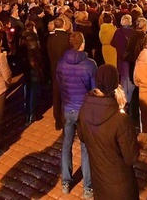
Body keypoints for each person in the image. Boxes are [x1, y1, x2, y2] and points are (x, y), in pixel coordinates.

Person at [77, 64, 138, 200]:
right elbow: (131, 157)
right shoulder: (120, 119)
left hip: (99, 181)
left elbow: (82, 137)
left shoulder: (84, 109)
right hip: (121, 186)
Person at [56, 32, 96, 197]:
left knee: (66, 144)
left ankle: (66, 181)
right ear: (82, 44)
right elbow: (94, 89)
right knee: (85, 147)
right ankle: (87, 187)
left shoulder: (61, 63)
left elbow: (59, 85)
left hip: (68, 108)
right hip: (84, 109)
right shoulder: (89, 65)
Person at [47, 16, 71, 130]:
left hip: (54, 68)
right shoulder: (67, 38)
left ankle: (58, 120)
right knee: (66, 94)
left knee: (56, 94)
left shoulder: (50, 38)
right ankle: (66, 118)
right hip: (66, 70)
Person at [19, 21, 44, 125]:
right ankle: (32, 113)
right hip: (33, 67)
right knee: (33, 90)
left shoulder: (21, 37)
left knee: (27, 89)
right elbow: (37, 55)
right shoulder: (33, 38)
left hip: (25, 66)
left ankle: (27, 111)